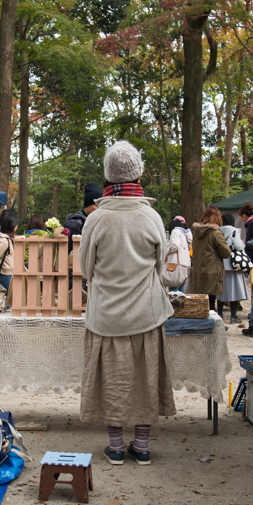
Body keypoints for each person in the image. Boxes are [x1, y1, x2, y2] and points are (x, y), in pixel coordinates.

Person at [80, 140, 175, 466]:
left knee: (113, 381)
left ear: (108, 175)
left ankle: (117, 447)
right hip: (145, 314)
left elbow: (85, 268)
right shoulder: (151, 217)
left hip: (106, 316)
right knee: (144, 380)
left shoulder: (96, 220)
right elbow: (163, 269)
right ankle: (143, 446)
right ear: (139, 173)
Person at [191, 206, 231, 314]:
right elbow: (226, 253)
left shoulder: (196, 232)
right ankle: (212, 327)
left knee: (202, 303)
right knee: (211, 305)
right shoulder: (215, 233)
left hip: (199, 271)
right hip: (212, 272)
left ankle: (203, 325)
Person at [217, 213, 249, 324]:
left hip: (221, 265)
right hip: (233, 265)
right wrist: (242, 244)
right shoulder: (235, 231)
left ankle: (219, 314)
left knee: (220, 292)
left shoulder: (217, 231)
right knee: (235, 292)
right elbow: (238, 246)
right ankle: (233, 316)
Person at [166, 217, 191, 293]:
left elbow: (175, 245)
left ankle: (173, 305)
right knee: (181, 290)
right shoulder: (184, 233)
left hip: (175, 264)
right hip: (185, 263)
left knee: (173, 291)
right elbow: (188, 247)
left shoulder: (175, 231)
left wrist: (167, 250)